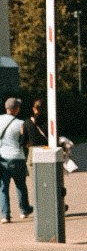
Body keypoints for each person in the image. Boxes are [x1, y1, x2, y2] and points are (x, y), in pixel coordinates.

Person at [0, 96, 33, 224]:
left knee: (3, 187)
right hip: (17, 158)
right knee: (20, 185)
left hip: (2, 158)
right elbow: (26, 142)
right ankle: (24, 210)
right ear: (16, 109)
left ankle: (5, 215)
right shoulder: (21, 123)